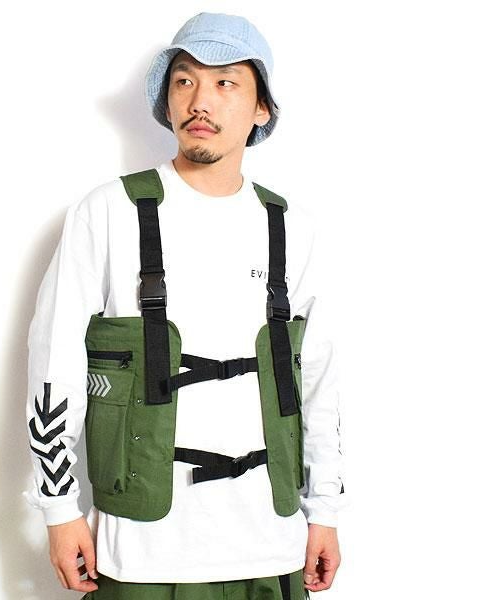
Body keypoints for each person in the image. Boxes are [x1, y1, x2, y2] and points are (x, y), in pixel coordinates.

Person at [23, 11, 347, 600]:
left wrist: (324, 510)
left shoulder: (292, 228)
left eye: (226, 82)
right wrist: (58, 509)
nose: (201, 101)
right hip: (139, 555)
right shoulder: (109, 213)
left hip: (272, 548)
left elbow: (319, 381)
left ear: (261, 108)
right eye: (185, 81)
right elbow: (54, 362)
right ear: (167, 101)